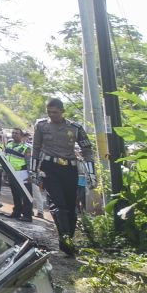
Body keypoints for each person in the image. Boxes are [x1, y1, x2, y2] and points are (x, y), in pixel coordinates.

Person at [31, 97, 96, 255]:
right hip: (50, 168)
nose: (52, 115)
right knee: (58, 205)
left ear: (62, 112)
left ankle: (68, 241)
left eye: (55, 112)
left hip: (69, 168)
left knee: (70, 207)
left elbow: (87, 150)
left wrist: (92, 173)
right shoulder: (41, 126)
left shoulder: (75, 128)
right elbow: (36, 148)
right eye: (49, 112)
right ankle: (65, 241)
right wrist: (33, 171)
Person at [3, 128, 32, 220]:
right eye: (13, 133)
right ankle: (16, 212)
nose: (14, 134)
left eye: (17, 133)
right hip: (11, 172)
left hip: (22, 173)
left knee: (26, 195)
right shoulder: (9, 144)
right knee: (15, 194)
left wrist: (30, 175)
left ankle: (27, 215)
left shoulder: (26, 147)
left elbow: (29, 162)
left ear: (21, 136)